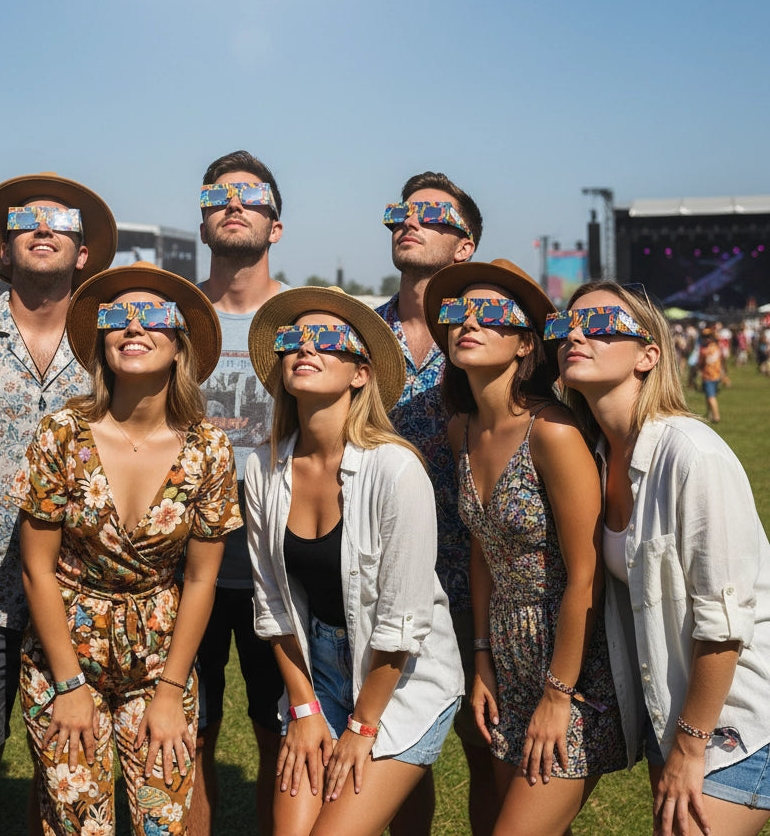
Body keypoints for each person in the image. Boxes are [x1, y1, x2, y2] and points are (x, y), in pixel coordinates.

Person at [17, 261, 240, 835]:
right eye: (117, 316)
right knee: (79, 826)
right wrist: (68, 687)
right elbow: (37, 569)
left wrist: (170, 692)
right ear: (100, 338)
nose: (133, 327)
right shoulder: (59, 433)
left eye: (154, 316)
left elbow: (200, 580)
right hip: (65, 655)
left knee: (163, 824)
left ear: (180, 342)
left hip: (160, 662)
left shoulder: (210, 449)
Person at [0, 173, 116, 836]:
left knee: (66, 768)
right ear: (2, 251)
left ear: (85, 251)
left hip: (81, 597)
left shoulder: (112, 348)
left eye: (61, 219)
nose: (43, 228)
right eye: (25, 220)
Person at [554, 281, 770, 836]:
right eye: (567, 325)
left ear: (649, 355)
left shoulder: (691, 454)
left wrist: (691, 748)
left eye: (601, 326)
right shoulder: (599, 458)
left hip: (736, 721)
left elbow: (724, 623)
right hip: (671, 705)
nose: (576, 333)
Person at [245, 286, 463, 836]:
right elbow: (272, 603)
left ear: (360, 373)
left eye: (326, 340)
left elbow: (402, 622)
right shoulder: (261, 470)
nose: (304, 348)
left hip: (401, 678)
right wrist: (305, 709)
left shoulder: (395, 469)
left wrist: (362, 728)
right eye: (292, 339)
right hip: (316, 669)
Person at [424, 259, 627, 835]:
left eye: (488, 313)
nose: (467, 323)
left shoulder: (554, 433)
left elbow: (585, 578)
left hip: (572, 660)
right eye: (455, 313)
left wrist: (559, 696)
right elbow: (483, 549)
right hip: (505, 659)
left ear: (524, 344)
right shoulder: (459, 429)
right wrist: (483, 658)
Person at [375, 170, 497, 835]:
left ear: (464, 247)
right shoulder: (358, 333)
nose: (408, 220)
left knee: (489, 751)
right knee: (400, 753)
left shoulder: (485, 335)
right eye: (401, 211)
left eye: (430, 214)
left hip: (483, 575)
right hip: (391, 578)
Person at [190, 150, 287, 836]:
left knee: (281, 725)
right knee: (188, 726)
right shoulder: (170, 317)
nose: (235, 203)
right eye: (219, 196)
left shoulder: (307, 316)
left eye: (251, 196)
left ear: (275, 226)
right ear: (202, 224)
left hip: (279, 558)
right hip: (183, 556)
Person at [696, 328, 727, 424]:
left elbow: (700, 363)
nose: (706, 339)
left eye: (708, 337)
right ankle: (709, 413)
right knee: (709, 395)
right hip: (715, 375)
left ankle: (716, 416)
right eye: (705, 337)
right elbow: (722, 360)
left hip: (709, 376)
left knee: (711, 396)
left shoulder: (704, 350)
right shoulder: (716, 347)